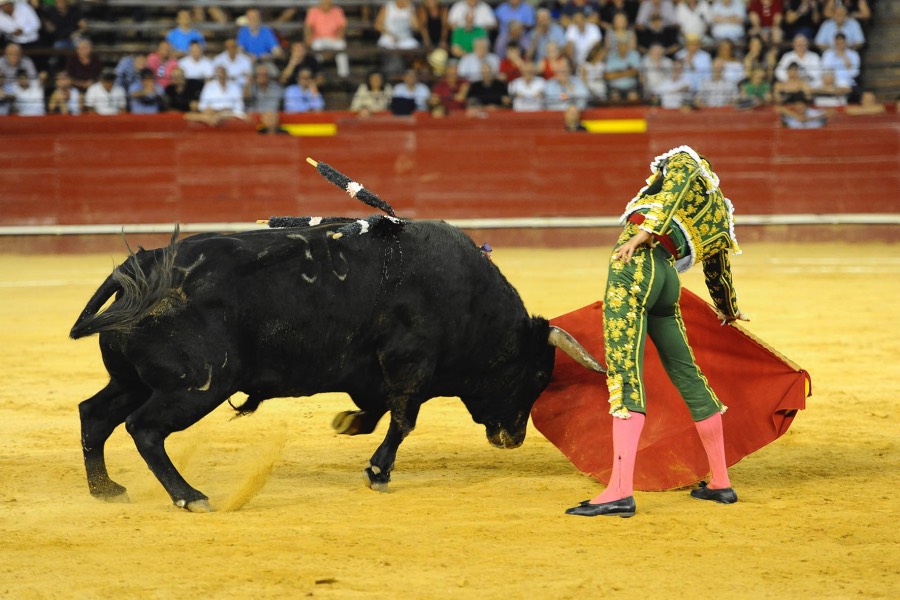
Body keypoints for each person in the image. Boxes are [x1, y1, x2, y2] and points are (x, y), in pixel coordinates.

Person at [566, 146, 745, 518]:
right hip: (667, 282)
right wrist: (729, 309)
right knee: (688, 374)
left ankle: (619, 491)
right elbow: (718, 270)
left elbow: (674, 186)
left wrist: (642, 234)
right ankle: (720, 482)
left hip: (637, 268)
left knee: (625, 372)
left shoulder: (682, 163)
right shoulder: (716, 212)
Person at [304, 0, 350, 79]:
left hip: (334, 39)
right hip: (318, 39)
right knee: (316, 45)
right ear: (320, 3)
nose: (326, 4)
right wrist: (308, 38)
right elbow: (308, 26)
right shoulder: (313, 11)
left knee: (341, 45)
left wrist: (339, 36)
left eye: (328, 2)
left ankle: (343, 75)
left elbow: (343, 26)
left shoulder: (337, 10)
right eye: (324, 2)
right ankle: (317, 71)